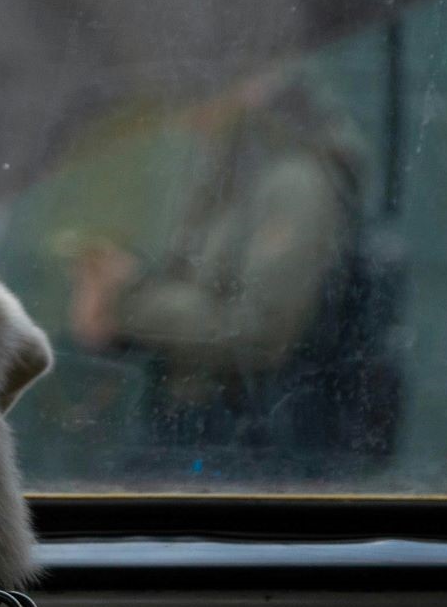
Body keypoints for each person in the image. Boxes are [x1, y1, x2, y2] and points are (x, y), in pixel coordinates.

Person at [67, 68, 400, 481]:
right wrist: (117, 296)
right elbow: (196, 287)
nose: (184, 113)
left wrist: (128, 301)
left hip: (249, 445)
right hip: (194, 427)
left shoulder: (295, 181)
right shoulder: (228, 169)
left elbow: (260, 332)